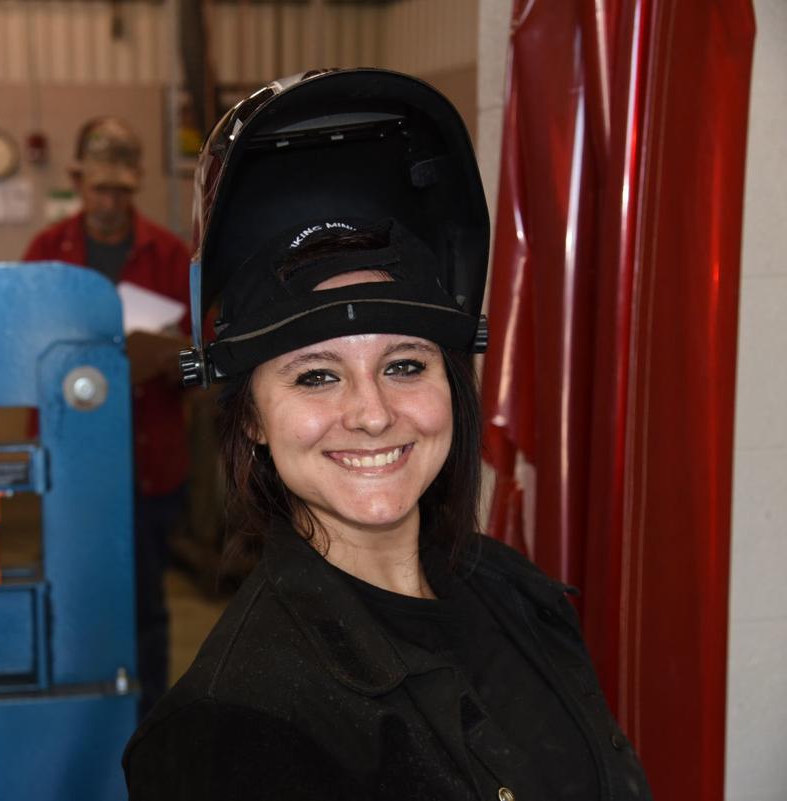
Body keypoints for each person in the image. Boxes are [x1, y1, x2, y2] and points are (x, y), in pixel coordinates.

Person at [123, 69, 652, 800]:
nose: (371, 412)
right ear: (252, 418)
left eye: (404, 363)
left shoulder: (523, 598)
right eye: (316, 375)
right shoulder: (236, 720)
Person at [22, 116, 191, 717]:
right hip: (71, 466)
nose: (110, 202)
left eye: (121, 190)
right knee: (72, 596)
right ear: (78, 182)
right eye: (99, 189)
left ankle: (149, 726)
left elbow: (205, 358)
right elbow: (23, 353)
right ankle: (76, 717)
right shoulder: (47, 255)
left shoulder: (170, 255)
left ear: (137, 184)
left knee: (146, 605)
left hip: (149, 466)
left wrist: (170, 362)